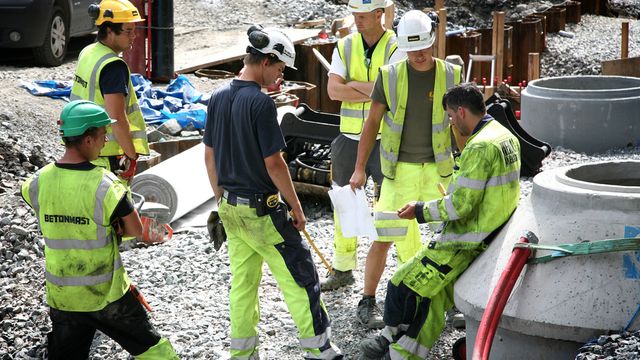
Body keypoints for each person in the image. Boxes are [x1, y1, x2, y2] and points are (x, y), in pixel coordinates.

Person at [203, 25, 343, 360]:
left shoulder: (219, 97)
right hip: (262, 213)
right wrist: (296, 207)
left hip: (232, 210)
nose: (280, 77)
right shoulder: (261, 104)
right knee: (299, 276)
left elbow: (209, 156)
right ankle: (319, 348)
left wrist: (220, 199)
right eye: (279, 69)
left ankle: (243, 354)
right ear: (266, 60)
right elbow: (275, 163)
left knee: (243, 285)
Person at [359, 83, 521, 359]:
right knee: (431, 302)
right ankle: (401, 354)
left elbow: (461, 205)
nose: (450, 123)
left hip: (465, 242)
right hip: (490, 238)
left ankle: (390, 337)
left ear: (460, 112)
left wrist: (420, 210)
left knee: (401, 285)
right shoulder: (505, 136)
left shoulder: (480, 147)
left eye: (449, 116)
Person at [21, 100, 179, 360]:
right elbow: (135, 229)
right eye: (102, 134)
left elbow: (38, 203)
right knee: (154, 350)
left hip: (63, 296)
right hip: (107, 296)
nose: (106, 140)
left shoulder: (37, 182)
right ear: (88, 139)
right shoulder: (106, 184)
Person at [349, 10, 461, 329]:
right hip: (399, 172)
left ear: (433, 41)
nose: (418, 55)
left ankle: (452, 304)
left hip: (440, 172)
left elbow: (466, 123)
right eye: (411, 50)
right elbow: (372, 122)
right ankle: (368, 300)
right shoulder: (390, 75)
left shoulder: (451, 74)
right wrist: (359, 168)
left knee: (450, 238)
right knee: (384, 236)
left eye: (423, 48)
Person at [322, 0, 404, 294]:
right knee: (344, 203)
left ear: (380, 14)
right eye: (354, 15)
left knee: (394, 206)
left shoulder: (397, 45)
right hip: (348, 138)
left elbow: (394, 92)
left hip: (387, 139)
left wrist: (353, 85)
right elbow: (333, 90)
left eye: (363, 15)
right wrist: (372, 88)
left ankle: (405, 268)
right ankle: (343, 268)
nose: (356, 20)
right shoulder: (345, 45)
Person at [70, 0, 150, 181]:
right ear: (109, 31)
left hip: (80, 146)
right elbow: (117, 118)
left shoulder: (89, 52)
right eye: (128, 31)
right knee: (114, 207)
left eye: (134, 30)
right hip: (106, 155)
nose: (134, 36)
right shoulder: (113, 66)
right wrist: (131, 155)